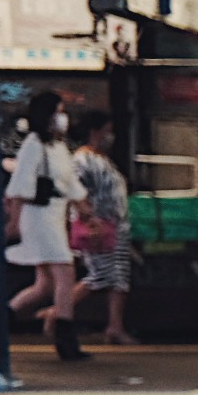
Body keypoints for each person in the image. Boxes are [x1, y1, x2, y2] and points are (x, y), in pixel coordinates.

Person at [4, 91, 95, 361]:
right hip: (38, 216)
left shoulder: (58, 147)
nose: (63, 117)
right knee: (64, 271)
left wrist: (85, 210)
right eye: (59, 111)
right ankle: (65, 338)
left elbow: (70, 183)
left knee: (44, 284)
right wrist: (15, 221)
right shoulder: (34, 144)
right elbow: (20, 185)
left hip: (53, 215)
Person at [66, 110, 137, 345]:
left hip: (116, 226)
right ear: (95, 132)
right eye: (107, 131)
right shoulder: (82, 160)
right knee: (101, 275)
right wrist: (88, 220)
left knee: (119, 278)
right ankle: (57, 312)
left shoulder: (102, 158)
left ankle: (115, 327)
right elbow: (77, 193)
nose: (111, 136)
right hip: (97, 227)